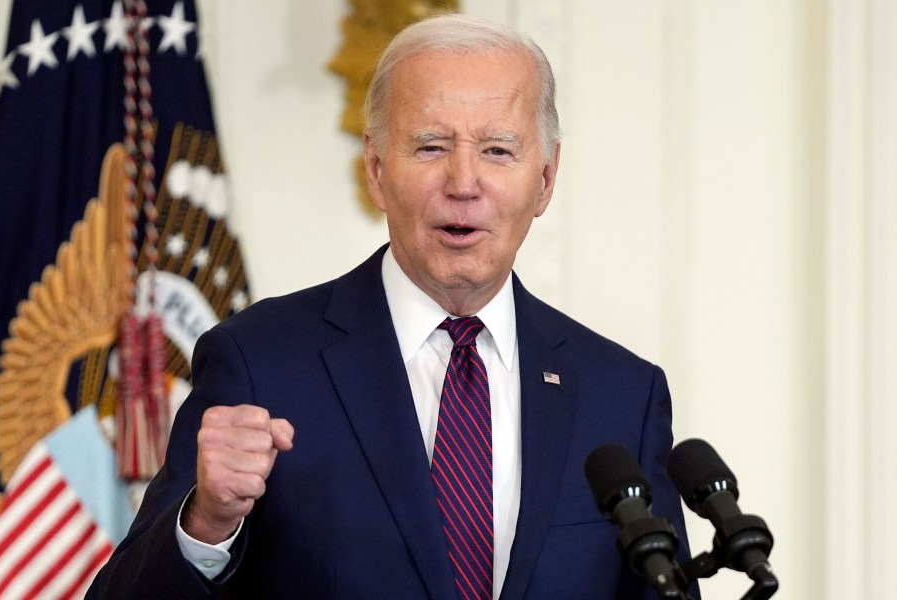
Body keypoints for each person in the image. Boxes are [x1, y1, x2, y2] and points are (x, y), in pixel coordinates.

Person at [87, 13, 698, 600]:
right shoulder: (259, 362)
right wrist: (207, 523)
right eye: (431, 147)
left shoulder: (623, 396)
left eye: (498, 151)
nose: (463, 182)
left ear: (545, 178)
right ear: (376, 168)